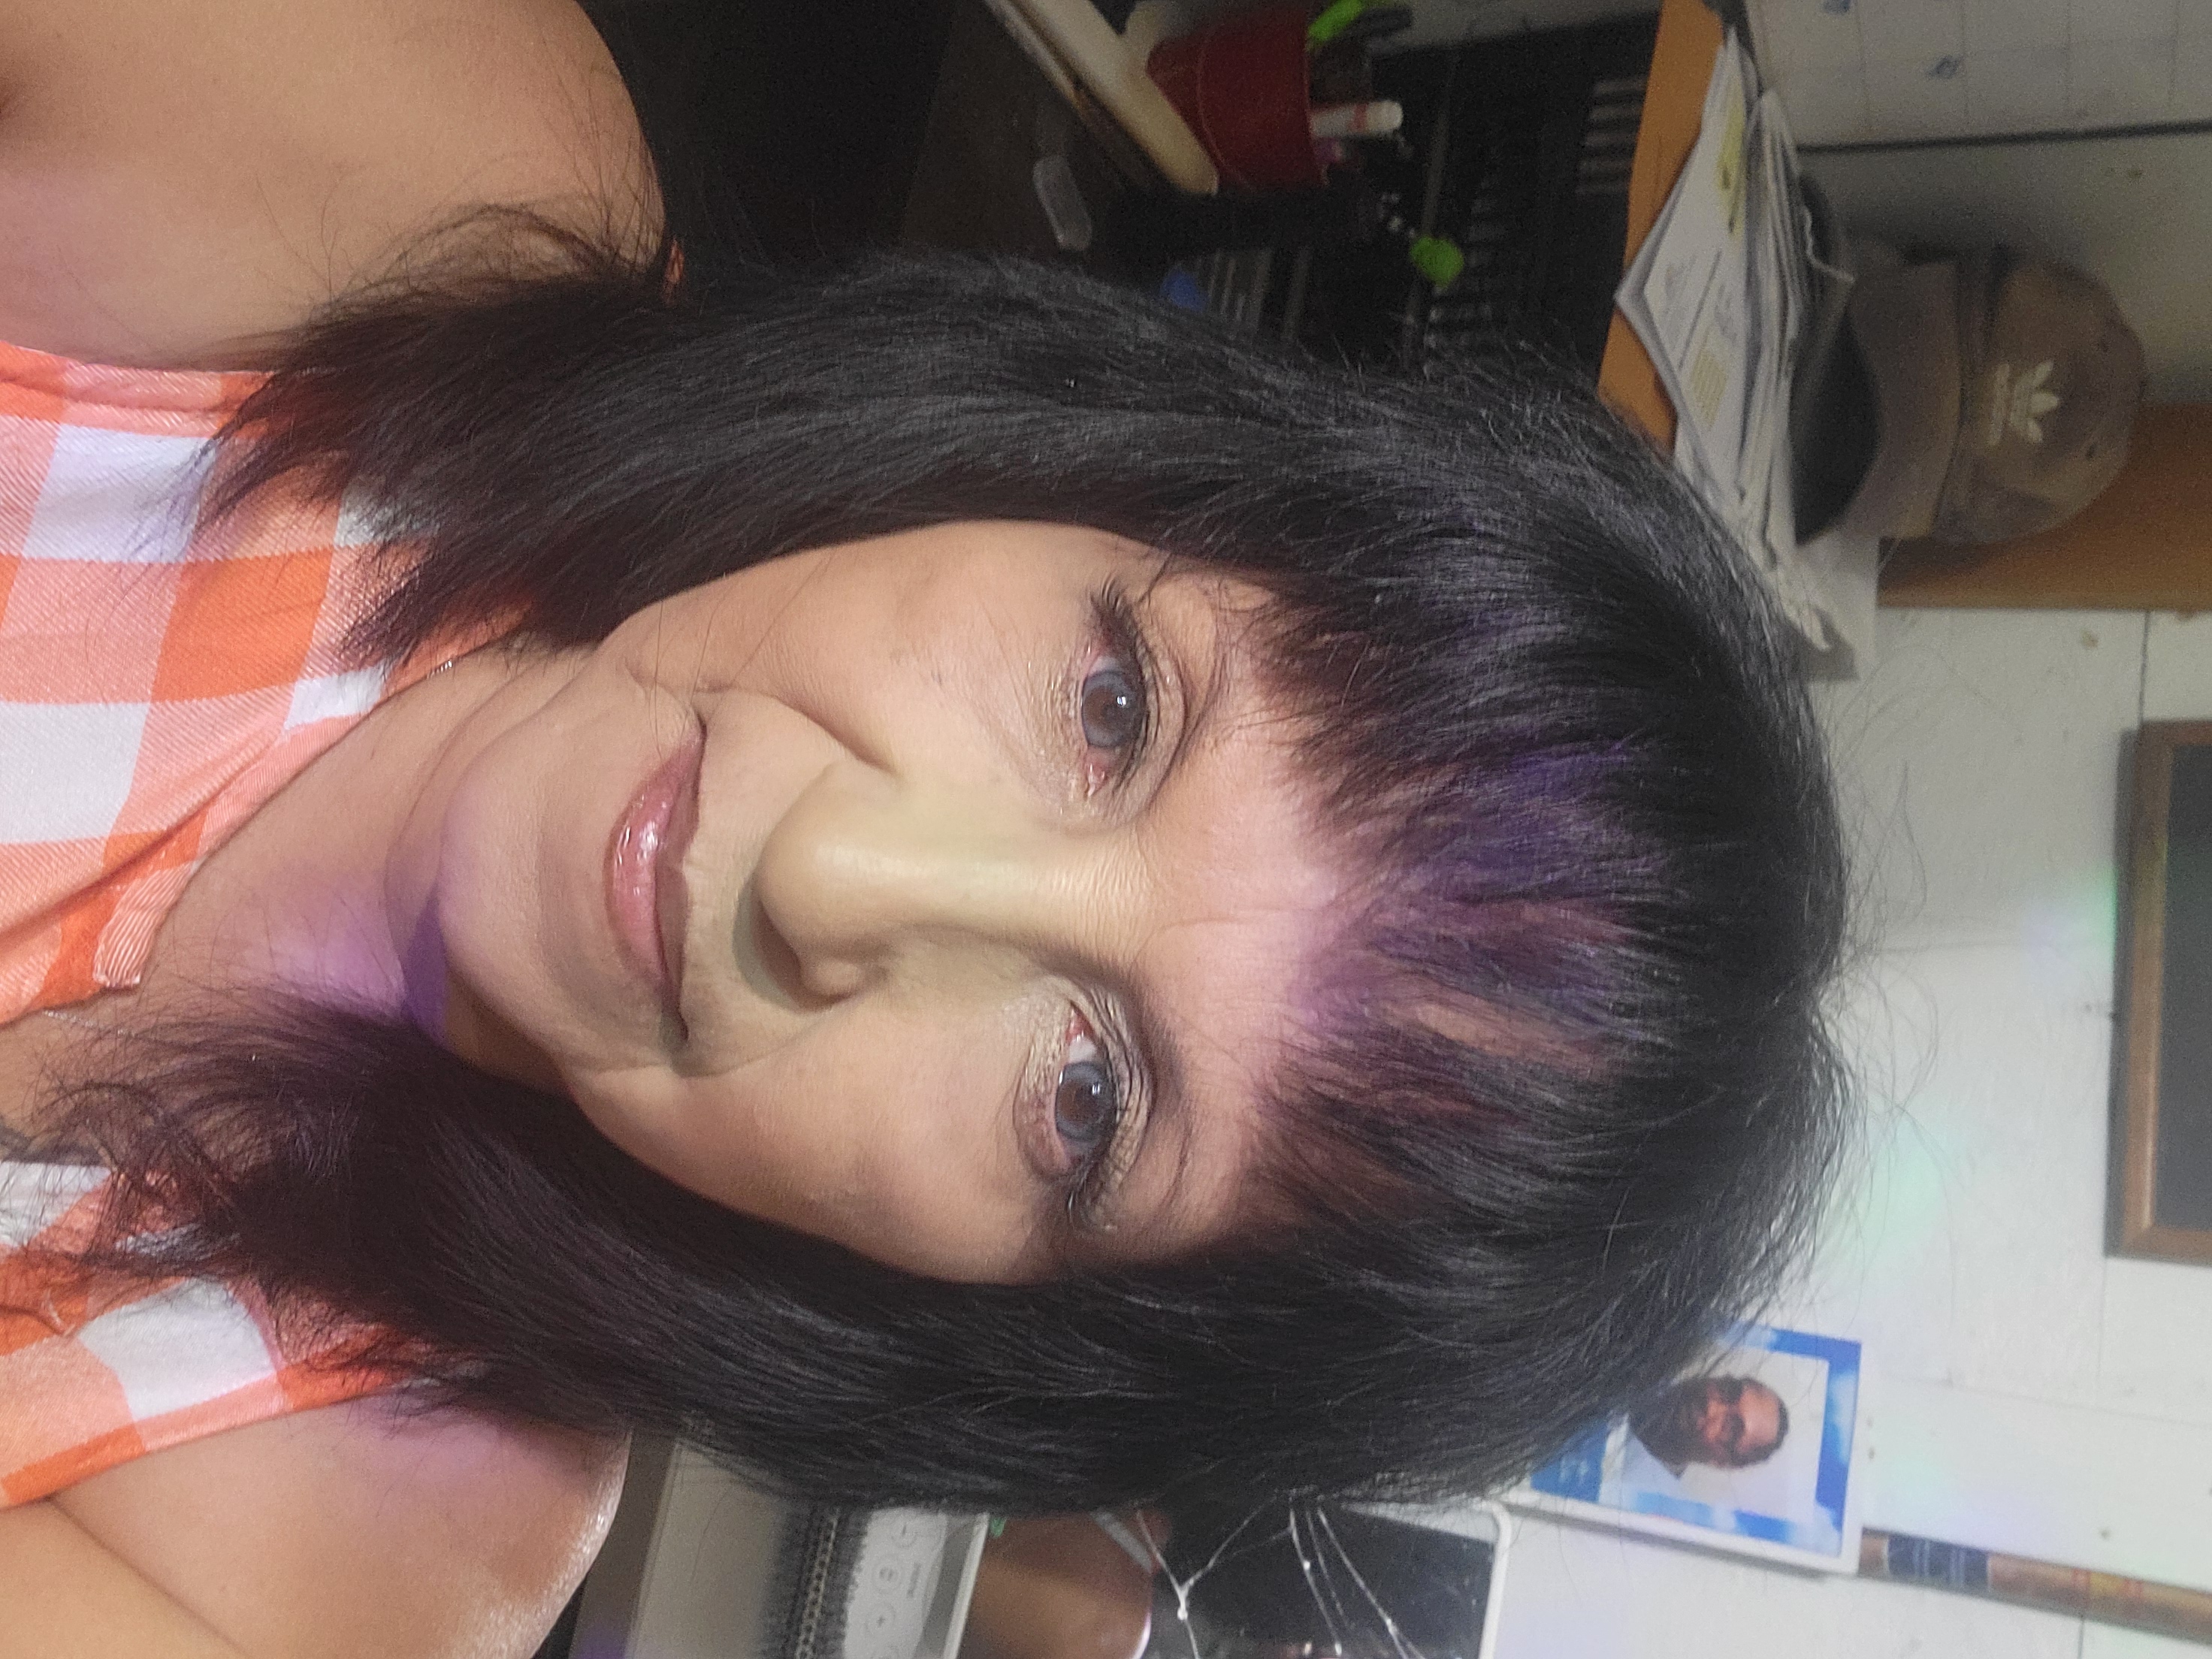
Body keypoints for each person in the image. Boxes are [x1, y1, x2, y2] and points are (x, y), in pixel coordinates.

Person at [0, 1, 1851, 1653]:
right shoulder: (399, 192)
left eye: (1085, 1101)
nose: (831, 877)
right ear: (1078, 479)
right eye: (1112, 707)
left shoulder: (361, 1540)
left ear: (1003, 1325)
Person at [1627, 1376, 1790, 1479]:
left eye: (1730, 1427)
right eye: (1728, 1391)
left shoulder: (1639, 1488)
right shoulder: (1647, 1359)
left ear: (1723, 1462)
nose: (1712, 1407)